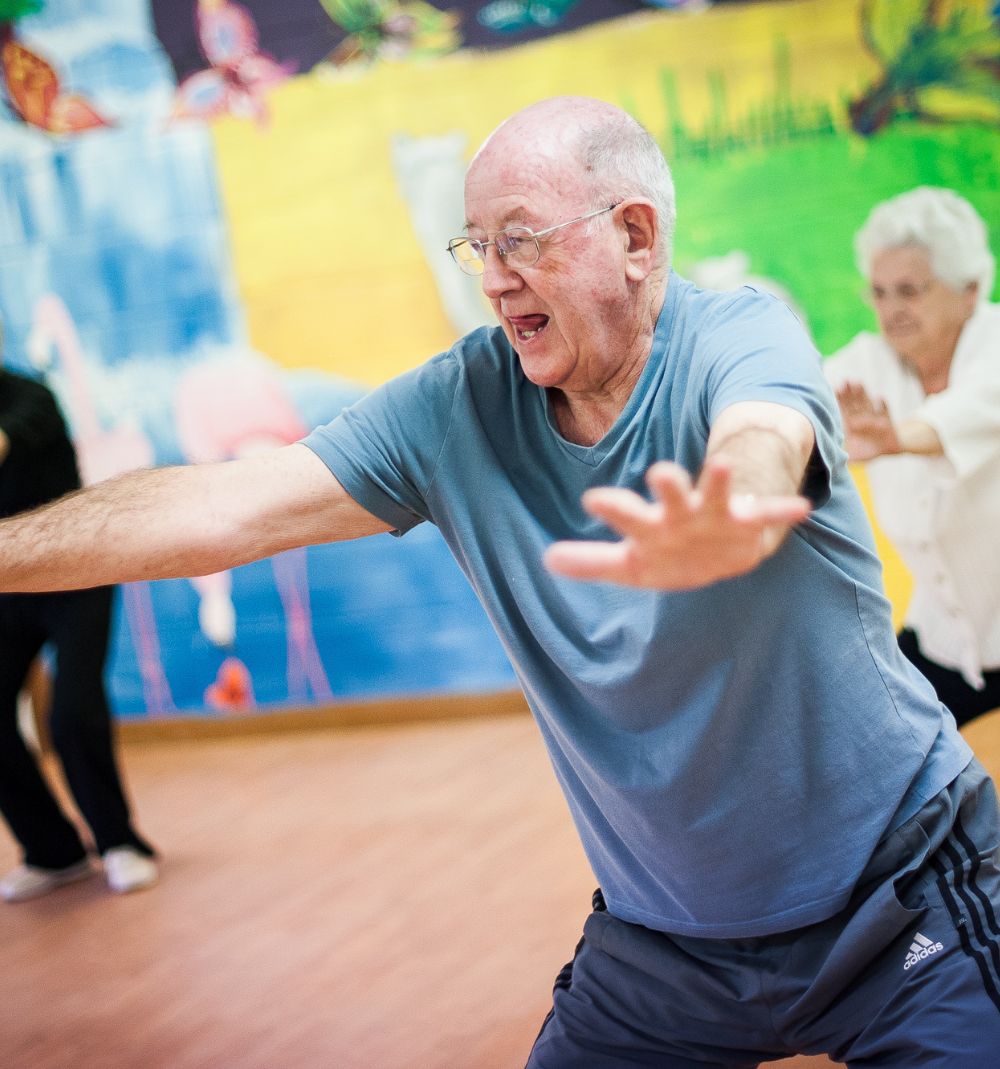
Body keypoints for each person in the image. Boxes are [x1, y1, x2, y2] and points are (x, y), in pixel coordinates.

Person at [1, 97, 998, 1062]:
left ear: (636, 236)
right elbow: (221, 508)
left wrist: (730, 515)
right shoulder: (458, 406)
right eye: (478, 246)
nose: (494, 278)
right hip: (665, 950)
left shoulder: (738, 336)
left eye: (522, 239)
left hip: (899, 898)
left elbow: (763, 437)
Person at [824, 187, 1000, 728]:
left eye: (909, 291)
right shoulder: (870, 362)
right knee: (865, 739)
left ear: (968, 290)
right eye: (879, 293)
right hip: (943, 644)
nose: (891, 310)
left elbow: (971, 412)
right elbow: (793, 402)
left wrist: (898, 438)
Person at [0, 321, 158, 901]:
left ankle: (121, 844)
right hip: (9, 586)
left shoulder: (29, 397)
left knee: (71, 712)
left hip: (77, 574)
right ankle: (53, 852)